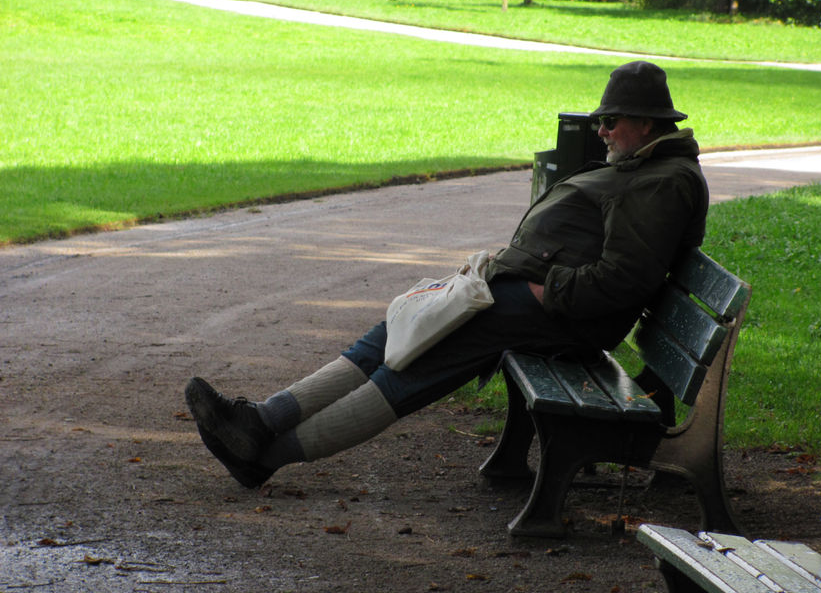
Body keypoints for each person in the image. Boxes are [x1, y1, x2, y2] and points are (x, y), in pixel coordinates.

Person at [185, 61, 709, 489]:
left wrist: (542, 290)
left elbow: (623, 280)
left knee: (419, 359)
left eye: (610, 120)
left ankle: (265, 455)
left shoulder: (663, 181)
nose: (601, 130)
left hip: (558, 315)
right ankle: (261, 421)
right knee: (397, 330)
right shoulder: (645, 168)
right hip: (535, 299)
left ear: (645, 123)